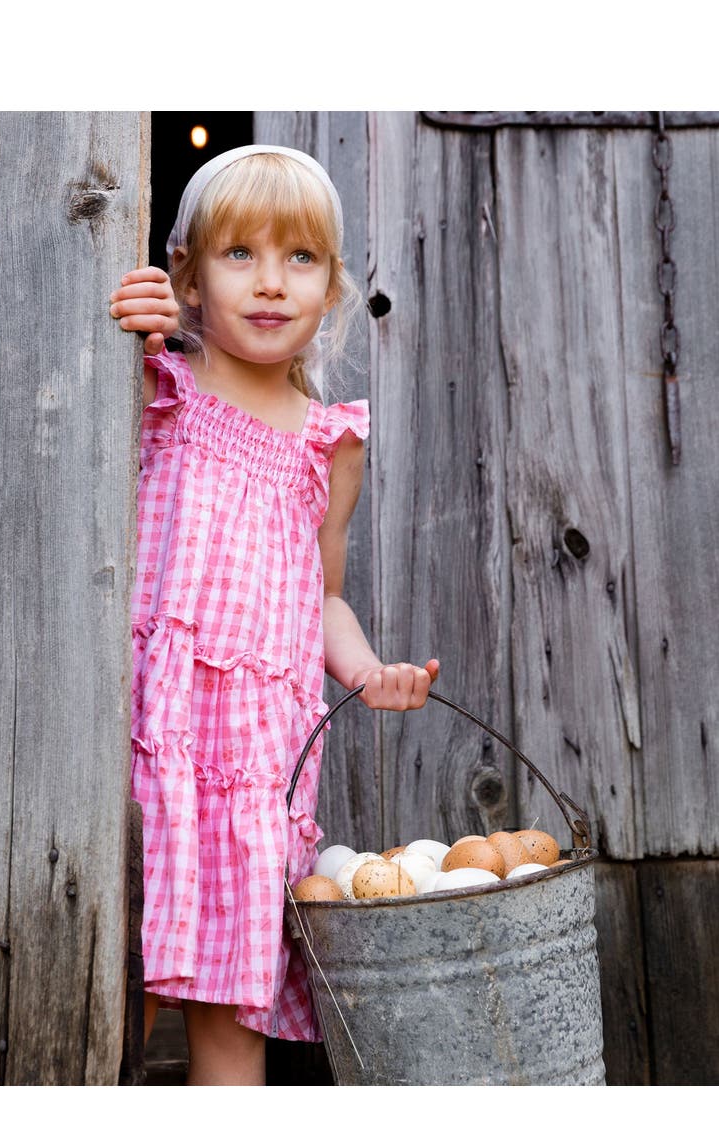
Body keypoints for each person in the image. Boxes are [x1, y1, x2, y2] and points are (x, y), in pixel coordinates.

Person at [110, 145, 439, 1086]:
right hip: (146, 731)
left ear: (330, 287)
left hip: (253, 761)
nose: (269, 282)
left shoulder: (328, 445)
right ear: (189, 278)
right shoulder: (157, 388)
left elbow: (322, 593)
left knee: (229, 1018)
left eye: (298, 258)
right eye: (239, 254)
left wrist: (367, 670)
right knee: (111, 982)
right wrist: (126, 327)